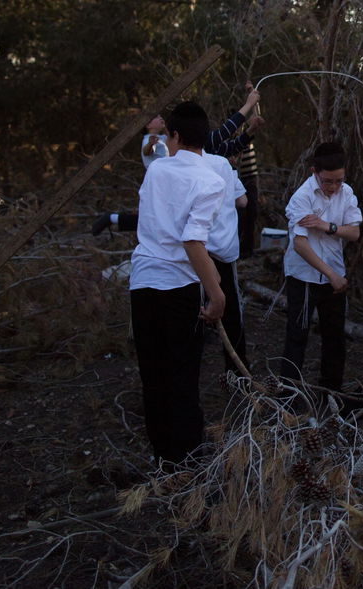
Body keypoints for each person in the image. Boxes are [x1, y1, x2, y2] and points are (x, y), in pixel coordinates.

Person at [128, 101, 228, 465]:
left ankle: (163, 457)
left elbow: (153, 152)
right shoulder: (211, 179)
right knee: (182, 375)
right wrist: (216, 294)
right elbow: (192, 241)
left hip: (143, 283)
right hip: (178, 288)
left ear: (175, 135)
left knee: (153, 375)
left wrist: (153, 132)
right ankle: (187, 463)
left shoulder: (157, 171)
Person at [93, 85, 260, 236]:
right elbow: (224, 132)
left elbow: (228, 147)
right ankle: (113, 218)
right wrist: (248, 105)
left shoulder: (204, 155)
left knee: (152, 220)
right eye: (155, 118)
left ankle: (113, 218)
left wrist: (250, 130)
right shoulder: (158, 151)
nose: (160, 119)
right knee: (152, 221)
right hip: (200, 245)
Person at [278, 142, 362, 395]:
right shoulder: (302, 197)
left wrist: (328, 226)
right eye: (328, 181)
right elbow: (301, 244)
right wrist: (331, 274)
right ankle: (288, 395)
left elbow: (354, 232)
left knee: (334, 337)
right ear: (315, 172)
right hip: (304, 275)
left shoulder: (346, 193)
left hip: (334, 272)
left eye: (339, 180)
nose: (334, 187)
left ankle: (330, 393)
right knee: (298, 334)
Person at [200, 147, 250, 369]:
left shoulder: (171, 164)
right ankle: (237, 369)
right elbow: (243, 201)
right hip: (221, 248)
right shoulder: (222, 165)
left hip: (193, 250)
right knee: (230, 310)